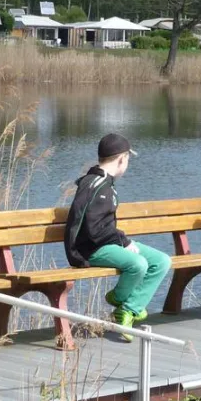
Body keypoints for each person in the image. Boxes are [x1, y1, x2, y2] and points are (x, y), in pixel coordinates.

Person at [63, 133, 172, 341]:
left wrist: (122, 241)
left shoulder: (104, 183)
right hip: (90, 250)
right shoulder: (96, 185)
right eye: (128, 159)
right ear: (122, 159)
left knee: (161, 261)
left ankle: (129, 308)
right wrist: (124, 241)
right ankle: (120, 301)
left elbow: (103, 226)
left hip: (107, 243)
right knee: (138, 264)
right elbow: (94, 230)